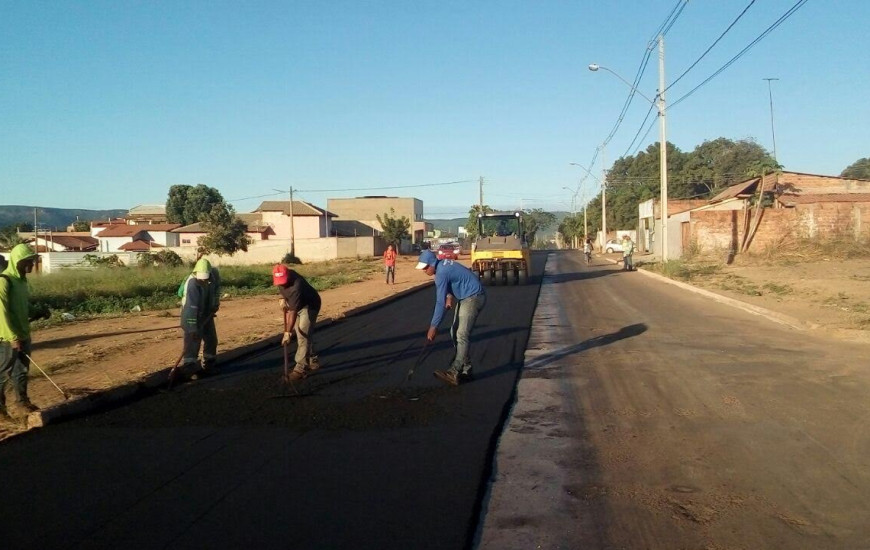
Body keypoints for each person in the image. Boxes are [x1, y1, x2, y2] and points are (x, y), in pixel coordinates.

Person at [415, 249, 486, 387]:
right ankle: (466, 369)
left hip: (473, 297)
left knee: (461, 334)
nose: (424, 271)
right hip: (466, 297)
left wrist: (433, 326)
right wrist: (449, 297)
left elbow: (439, 303)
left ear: (431, 264)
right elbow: (453, 281)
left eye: (425, 267)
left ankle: (454, 371)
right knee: (454, 332)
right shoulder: (442, 266)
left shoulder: (441, 273)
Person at [0, 244, 40, 419]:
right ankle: (1, 411)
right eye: (28, 262)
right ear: (18, 261)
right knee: (3, 373)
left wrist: (38, 311)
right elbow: (1, 312)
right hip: (7, 338)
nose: (31, 265)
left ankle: (22, 402)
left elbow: (22, 305)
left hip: (23, 334)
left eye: (32, 261)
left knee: (22, 370)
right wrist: (12, 337)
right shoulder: (4, 281)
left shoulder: (22, 282)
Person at [273, 263, 321, 381]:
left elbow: (293, 312)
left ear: (288, 275)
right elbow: (285, 291)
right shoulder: (281, 278)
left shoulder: (296, 285)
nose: (281, 283)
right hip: (296, 305)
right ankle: (312, 358)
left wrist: (287, 332)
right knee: (303, 334)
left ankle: (300, 369)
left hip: (309, 306)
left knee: (302, 336)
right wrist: (283, 299)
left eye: (283, 280)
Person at [179, 258, 221, 373]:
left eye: (205, 279)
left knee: (211, 339)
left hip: (207, 312)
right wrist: (192, 328)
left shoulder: (214, 276)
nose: (203, 281)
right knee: (193, 340)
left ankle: (209, 363)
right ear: (196, 273)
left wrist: (215, 305)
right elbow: (191, 307)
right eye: (201, 279)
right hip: (191, 313)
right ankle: (189, 367)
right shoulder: (192, 283)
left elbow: (216, 291)